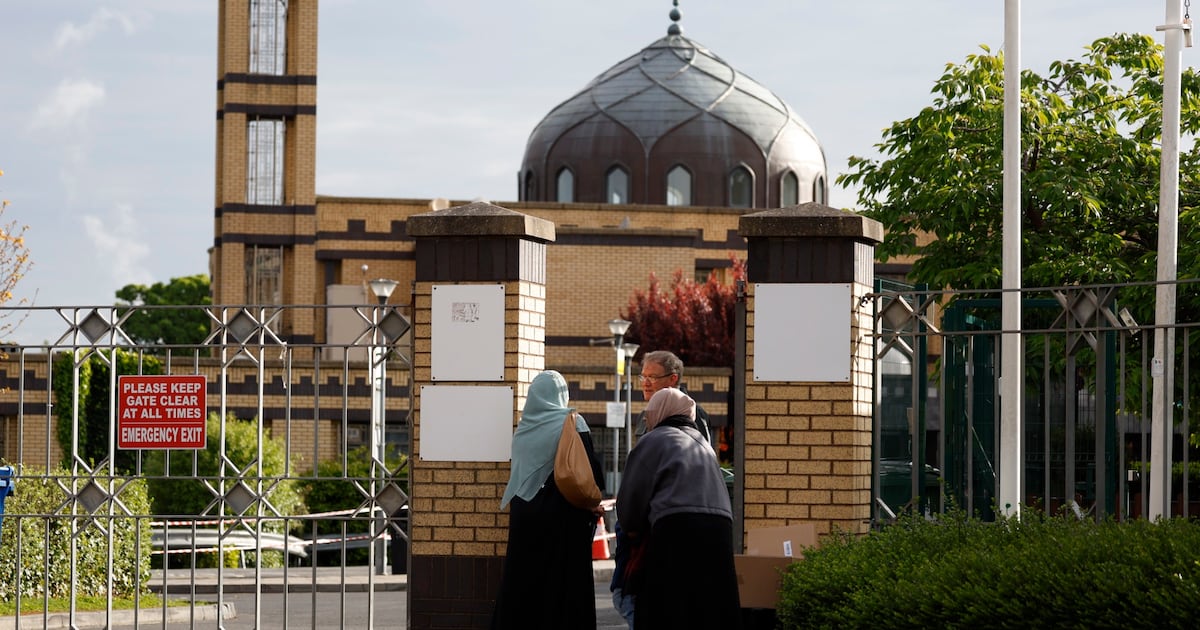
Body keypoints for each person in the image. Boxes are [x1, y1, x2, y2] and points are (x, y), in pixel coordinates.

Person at [616, 387, 742, 630]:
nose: (646, 417)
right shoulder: (704, 445)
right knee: (709, 607)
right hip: (720, 530)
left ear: (659, 411)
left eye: (649, 410)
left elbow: (630, 504)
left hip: (676, 528)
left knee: (669, 608)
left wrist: (631, 532)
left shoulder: (654, 440)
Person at [490, 370, 605, 630]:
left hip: (524, 513)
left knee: (523, 579)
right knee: (565, 582)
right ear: (561, 395)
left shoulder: (524, 428)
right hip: (564, 514)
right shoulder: (573, 422)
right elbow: (589, 473)